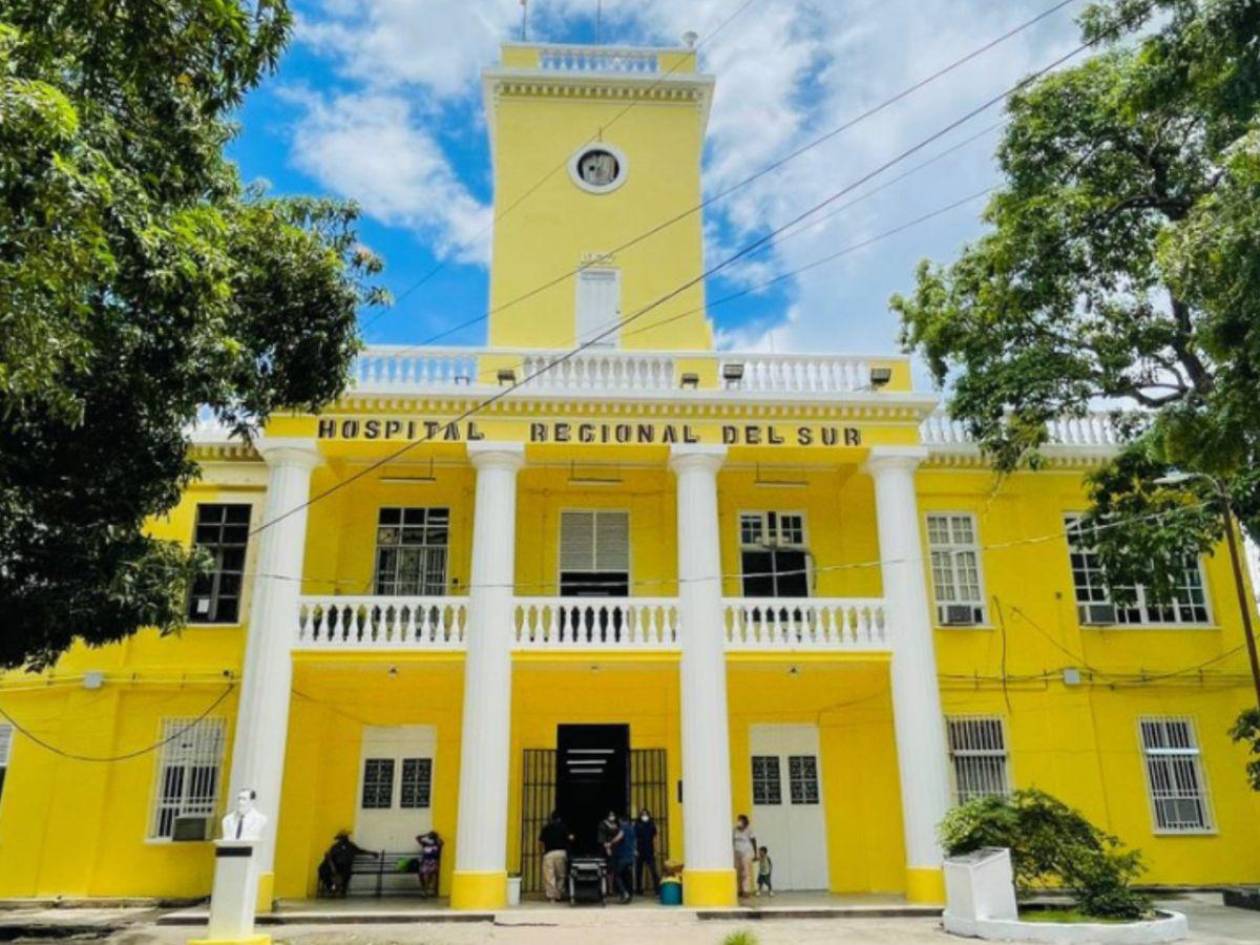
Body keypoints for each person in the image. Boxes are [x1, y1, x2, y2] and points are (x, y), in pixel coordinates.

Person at [317, 830, 369, 897]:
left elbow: (360, 851)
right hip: (335, 867)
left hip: (345, 868)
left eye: (346, 837)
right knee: (324, 871)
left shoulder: (350, 846)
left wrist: (371, 853)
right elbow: (329, 857)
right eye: (343, 838)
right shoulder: (335, 847)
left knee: (346, 874)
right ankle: (332, 888)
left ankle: (341, 890)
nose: (346, 839)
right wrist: (333, 868)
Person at [538, 811, 572, 902]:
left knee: (549, 876)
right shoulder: (563, 827)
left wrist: (542, 852)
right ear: (560, 819)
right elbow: (570, 838)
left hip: (549, 854)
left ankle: (552, 897)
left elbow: (541, 842)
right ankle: (559, 895)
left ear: (551, 818)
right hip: (561, 853)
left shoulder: (546, 828)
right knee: (561, 875)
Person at [597, 810, 623, 899]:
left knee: (614, 869)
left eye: (613, 815)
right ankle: (608, 889)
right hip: (607, 851)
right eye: (610, 815)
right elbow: (602, 838)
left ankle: (613, 889)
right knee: (608, 869)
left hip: (616, 850)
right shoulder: (603, 824)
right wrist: (607, 848)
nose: (612, 817)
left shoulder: (616, 824)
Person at [612, 812, 637, 904]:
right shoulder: (632, 828)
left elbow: (619, 837)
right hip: (630, 856)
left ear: (621, 821)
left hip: (623, 856)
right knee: (627, 876)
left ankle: (624, 892)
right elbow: (634, 842)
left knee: (617, 875)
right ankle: (629, 895)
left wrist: (611, 842)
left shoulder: (624, 827)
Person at [634, 807, 660, 895]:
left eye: (646, 814)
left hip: (650, 850)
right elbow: (634, 838)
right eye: (642, 814)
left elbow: (655, 838)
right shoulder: (637, 824)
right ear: (640, 815)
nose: (644, 816)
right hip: (640, 850)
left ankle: (657, 889)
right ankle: (638, 889)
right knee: (638, 871)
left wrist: (656, 850)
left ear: (648, 815)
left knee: (653, 870)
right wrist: (635, 849)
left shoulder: (651, 824)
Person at [732, 814, 757, 896]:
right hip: (737, 852)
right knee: (738, 871)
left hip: (746, 852)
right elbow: (732, 840)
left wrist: (755, 853)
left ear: (744, 821)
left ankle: (746, 890)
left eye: (740, 820)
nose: (739, 822)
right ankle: (739, 890)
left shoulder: (749, 830)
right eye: (738, 820)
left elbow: (753, 840)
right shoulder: (735, 829)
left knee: (745, 872)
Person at [416, 830, 443, 897]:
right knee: (421, 874)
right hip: (425, 861)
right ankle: (424, 889)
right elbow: (417, 838)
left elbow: (441, 842)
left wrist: (436, 836)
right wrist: (426, 835)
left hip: (433, 861)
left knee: (430, 875)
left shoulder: (437, 844)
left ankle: (425, 891)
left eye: (431, 835)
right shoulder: (426, 844)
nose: (430, 836)